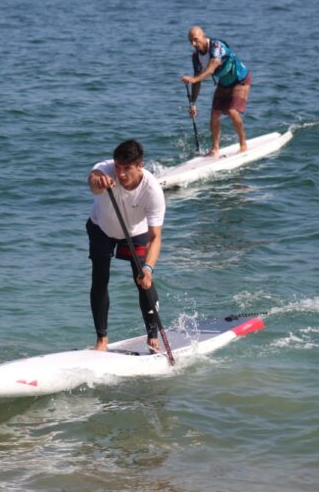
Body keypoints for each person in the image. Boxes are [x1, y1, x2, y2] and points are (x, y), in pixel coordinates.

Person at [86, 140, 166, 352]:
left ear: (140, 165)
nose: (120, 174)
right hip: (101, 229)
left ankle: (153, 334)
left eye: (127, 169)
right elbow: (93, 180)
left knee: (143, 279)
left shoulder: (152, 191)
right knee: (100, 278)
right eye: (118, 167)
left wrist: (149, 268)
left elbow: (155, 237)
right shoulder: (105, 170)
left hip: (135, 233)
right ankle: (102, 340)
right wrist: (99, 182)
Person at [181, 26, 251, 155]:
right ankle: (215, 149)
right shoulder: (196, 57)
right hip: (224, 82)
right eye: (191, 41)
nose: (193, 44)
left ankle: (243, 144)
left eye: (196, 40)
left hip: (240, 79)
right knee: (214, 114)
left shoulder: (216, 47)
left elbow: (211, 68)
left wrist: (194, 79)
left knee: (231, 110)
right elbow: (197, 79)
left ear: (203, 36)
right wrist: (193, 103)